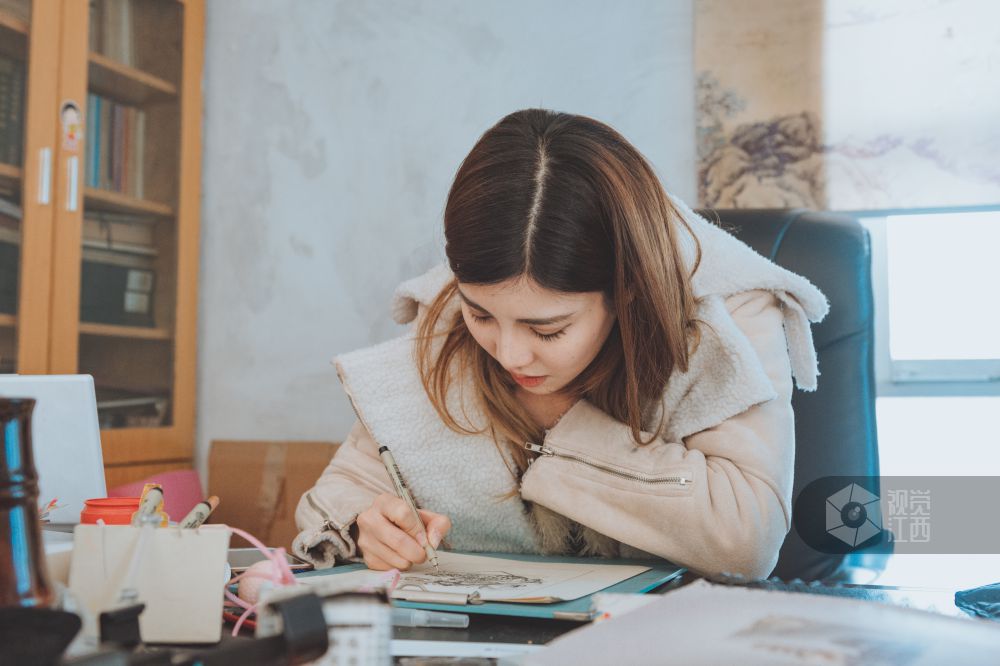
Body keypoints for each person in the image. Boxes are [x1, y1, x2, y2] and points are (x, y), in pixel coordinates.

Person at [294, 109, 827, 581]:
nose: (508, 354)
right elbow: (342, 492)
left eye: (547, 330)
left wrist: (554, 423)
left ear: (626, 293)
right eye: (480, 314)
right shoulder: (450, 314)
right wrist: (371, 525)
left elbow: (746, 539)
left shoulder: (728, 317)